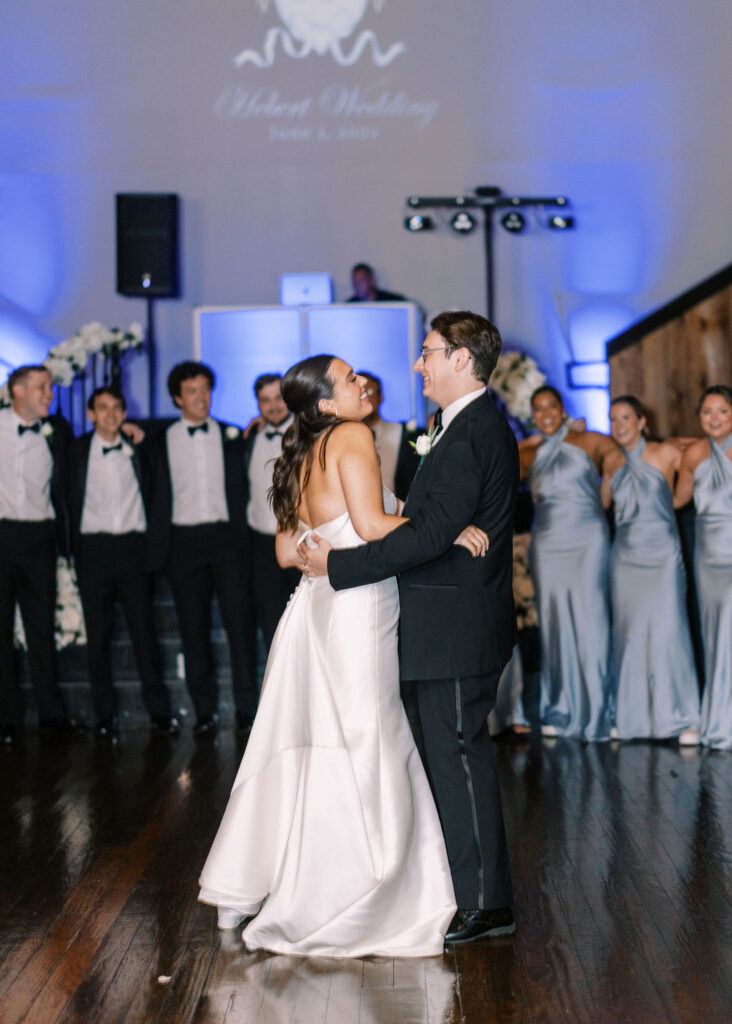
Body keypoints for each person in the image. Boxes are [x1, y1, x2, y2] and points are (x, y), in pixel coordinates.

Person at [199, 353, 488, 957]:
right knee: (368, 735)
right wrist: (446, 531)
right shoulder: (353, 435)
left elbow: (291, 548)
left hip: (317, 604)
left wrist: (392, 525)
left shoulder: (303, 448)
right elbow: (372, 524)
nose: (363, 382)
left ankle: (285, 879)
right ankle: (368, 887)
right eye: (351, 378)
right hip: (358, 609)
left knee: (325, 741)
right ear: (328, 403)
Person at [303, 311, 520, 946]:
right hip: (441, 620)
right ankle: (465, 890)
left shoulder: (474, 431)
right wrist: (439, 527)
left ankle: (487, 904)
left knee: (457, 755)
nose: (418, 364)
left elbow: (424, 536)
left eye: (428, 353)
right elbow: (431, 522)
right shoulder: (448, 426)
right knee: (446, 758)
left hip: (456, 625)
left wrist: (337, 564)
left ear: (462, 359)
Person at [148, 361, 256, 734]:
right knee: (192, 630)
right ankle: (205, 712)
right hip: (182, 542)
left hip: (228, 540)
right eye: (192, 391)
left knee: (239, 627)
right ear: (178, 397)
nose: (201, 397)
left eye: (206, 389)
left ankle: (248, 709)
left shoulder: (233, 435)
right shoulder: (158, 440)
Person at [67, 386, 179, 738]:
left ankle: (159, 712)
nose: (111, 414)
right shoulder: (74, 451)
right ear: (90, 414)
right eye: (103, 408)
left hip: (133, 551)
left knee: (144, 634)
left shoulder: (140, 448)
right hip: (93, 551)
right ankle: (104, 715)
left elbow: (160, 482)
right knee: (97, 638)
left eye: (117, 407)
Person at [520, 386, 623, 742]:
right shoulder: (529, 451)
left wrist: (602, 504)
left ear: (562, 409)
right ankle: (560, 706)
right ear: (531, 414)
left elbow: (624, 467)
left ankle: (603, 709)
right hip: (548, 543)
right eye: (538, 409)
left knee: (593, 619)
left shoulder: (590, 440)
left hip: (588, 540)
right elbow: (495, 470)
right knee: (555, 623)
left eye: (551, 406)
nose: (545, 413)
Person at [608, 396, 700, 743]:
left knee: (668, 631)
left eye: (626, 418)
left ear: (642, 421)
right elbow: (602, 503)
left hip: (661, 555)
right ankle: (633, 718)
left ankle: (682, 718)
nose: (619, 425)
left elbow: (681, 493)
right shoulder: (612, 462)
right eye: (613, 419)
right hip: (624, 558)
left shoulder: (669, 452)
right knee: (630, 635)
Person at [0, 365, 80, 743]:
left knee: (41, 629)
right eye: (41, 387)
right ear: (17, 390)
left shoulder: (59, 431)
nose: (50, 393)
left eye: (49, 387)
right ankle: (6, 718)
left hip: (40, 539)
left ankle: (52, 715)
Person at [674, 385, 732, 751]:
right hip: (708, 557)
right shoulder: (694, 453)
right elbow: (679, 498)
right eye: (707, 412)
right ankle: (718, 717)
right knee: (715, 634)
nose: (714, 418)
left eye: (722, 411)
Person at [245, 373, 300, 652]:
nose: (274, 406)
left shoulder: (307, 434)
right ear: (258, 404)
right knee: (270, 624)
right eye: (265, 400)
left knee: (303, 622)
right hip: (260, 545)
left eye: (278, 398)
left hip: (301, 541)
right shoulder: (248, 439)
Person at [359, 370, 419, 500]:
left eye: (369, 393)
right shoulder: (343, 438)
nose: (366, 399)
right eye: (360, 395)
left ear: (381, 397)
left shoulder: (403, 434)